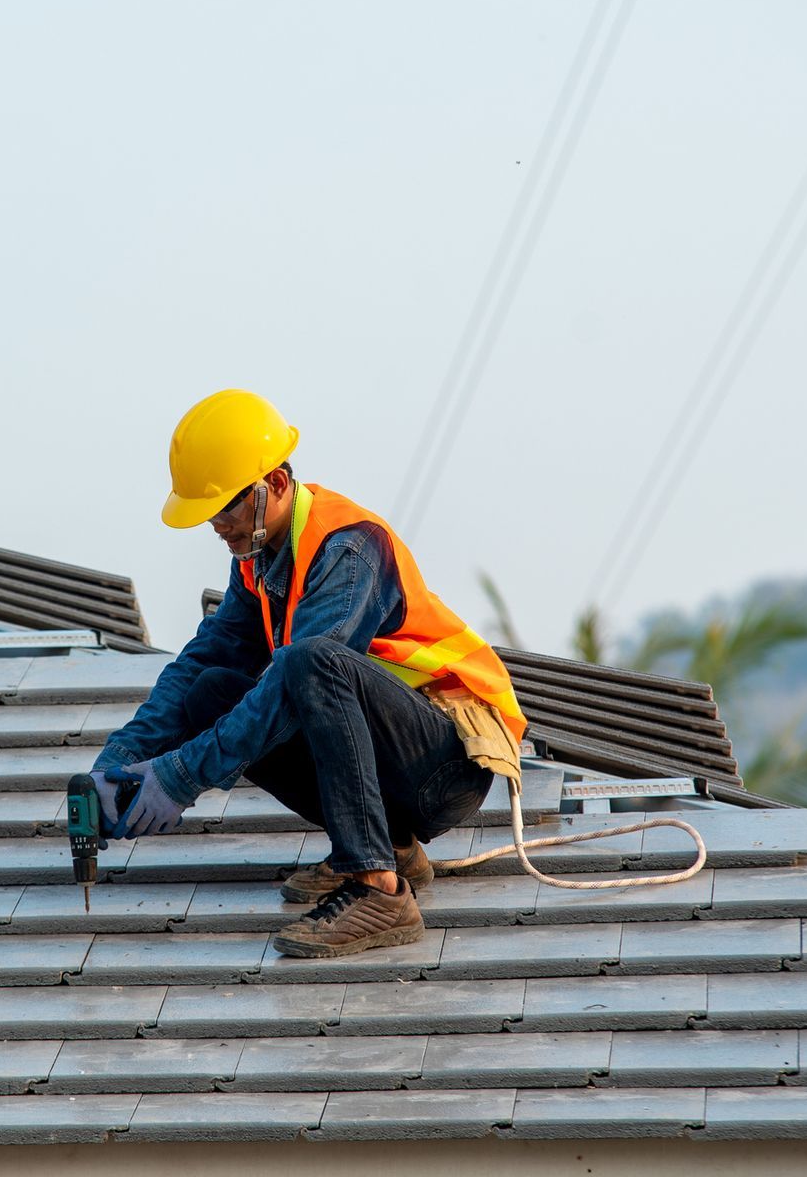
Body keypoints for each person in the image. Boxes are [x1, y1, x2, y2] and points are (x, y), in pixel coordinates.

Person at [92, 389, 526, 958]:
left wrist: (178, 776)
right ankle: (390, 846)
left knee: (307, 662)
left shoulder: (347, 549)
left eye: (226, 507)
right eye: (209, 514)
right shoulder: (260, 554)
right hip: (399, 760)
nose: (218, 526)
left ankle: (379, 889)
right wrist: (121, 757)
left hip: (448, 763)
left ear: (273, 484)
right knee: (211, 691)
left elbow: (294, 685)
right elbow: (206, 655)